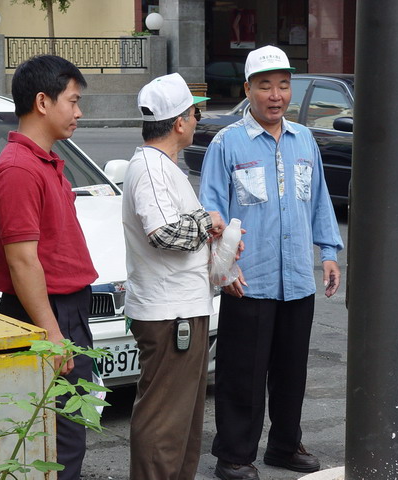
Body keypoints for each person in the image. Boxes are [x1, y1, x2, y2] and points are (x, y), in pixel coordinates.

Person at [198, 45, 344, 480]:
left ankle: (284, 445)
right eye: (265, 86)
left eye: (283, 85)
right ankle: (234, 454)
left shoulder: (304, 140)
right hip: (249, 280)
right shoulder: (227, 143)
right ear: (248, 89)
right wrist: (225, 268)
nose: (276, 95)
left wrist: (329, 253)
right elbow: (211, 211)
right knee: (241, 373)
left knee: (291, 371)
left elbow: (319, 201)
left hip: (297, 277)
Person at [0, 55, 97, 480]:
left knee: (67, 431)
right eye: (73, 100)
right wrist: (52, 334)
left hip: (67, 309)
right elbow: (22, 260)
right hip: (47, 313)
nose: (78, 112)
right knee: (55, 439)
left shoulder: (44, 161)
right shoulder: (18, 168)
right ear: (42, 102)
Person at [122, 73, 225, 479]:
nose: (198, 119)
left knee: (181, 423)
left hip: (180, 309)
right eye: (195, 113)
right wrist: (208, 221)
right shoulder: (151, 167)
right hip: (169, 314)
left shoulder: (160, 165)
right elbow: (164, 232)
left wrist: (212, 235)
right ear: (180, 122)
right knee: (165, 423)